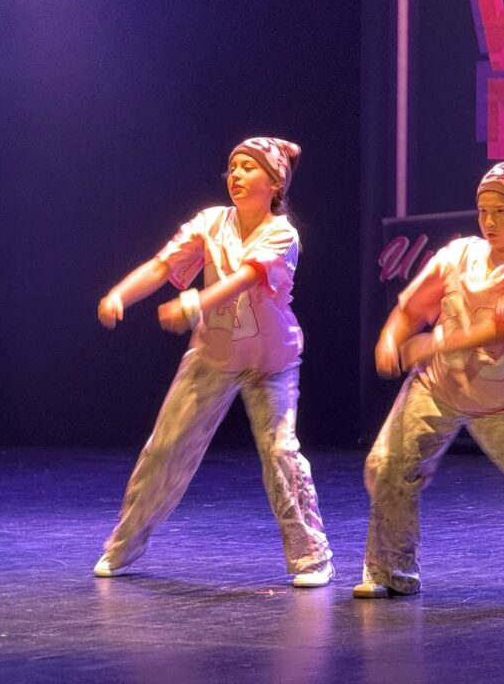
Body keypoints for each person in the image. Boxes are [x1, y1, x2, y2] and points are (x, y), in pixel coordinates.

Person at [94, 137, 334, 587]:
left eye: (248, 167)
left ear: (274, 182)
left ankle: (311, 558)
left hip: (271, 362)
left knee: (281, 454)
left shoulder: (282, 233)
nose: (236, 175)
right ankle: (123, 545)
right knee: (165, 448)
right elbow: (163, 265)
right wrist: (119, 294)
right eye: (232, 167)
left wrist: (193, 304)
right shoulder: (211, 222)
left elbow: (245, 278)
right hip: (212, 356)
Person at [354, 157, 504, 602]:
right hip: (437, 387)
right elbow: (412, 308)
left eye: (502, 211)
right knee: (388, 466)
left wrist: (436, 343)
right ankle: (391, 570)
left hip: (503, 399)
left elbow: (503, 328)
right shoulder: (458, 254)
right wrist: (390, 338)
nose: (489, 221)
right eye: (484, 210)